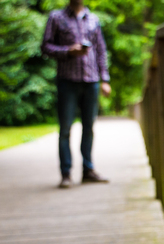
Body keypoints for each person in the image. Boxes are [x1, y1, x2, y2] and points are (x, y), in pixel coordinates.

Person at [41, 0, 111, 188]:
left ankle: (88, 170)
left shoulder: (93, 19)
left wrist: (105, 79)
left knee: (89, 128)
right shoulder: (56, 17)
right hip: (67, 81)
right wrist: (67, 51)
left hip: (91, 81)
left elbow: (101, 50)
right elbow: (45, 47)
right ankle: (66, 174)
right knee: (65, 129)